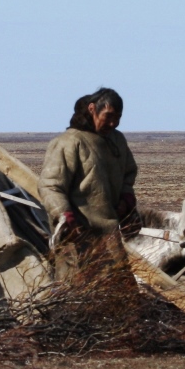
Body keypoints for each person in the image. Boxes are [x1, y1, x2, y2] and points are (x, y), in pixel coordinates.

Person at [39, 88, 139, 250]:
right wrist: (64, 216)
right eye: (108, 116)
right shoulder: (69, 142)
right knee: (78, 276)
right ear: (92, 109)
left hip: (109, 234)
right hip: (77, 236)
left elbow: (128, 173)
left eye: (117, 118)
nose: (113, 123)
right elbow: (50, 185)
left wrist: (126, 199)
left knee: (116, 275)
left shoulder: (117, 140)